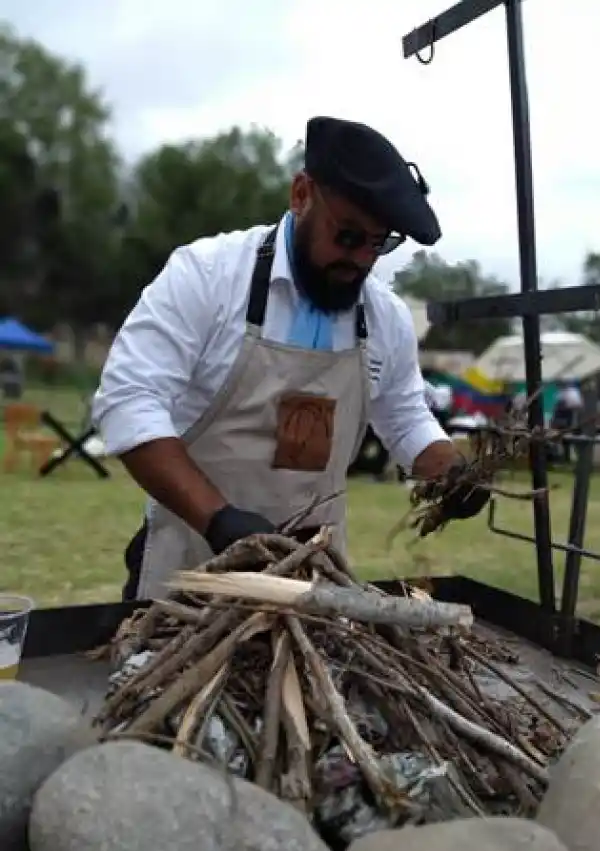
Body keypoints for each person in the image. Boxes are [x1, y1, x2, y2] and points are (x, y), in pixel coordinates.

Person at [92, 115, 490, 602]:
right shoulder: (207, 275)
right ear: (301, 194)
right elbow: (128, 402)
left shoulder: (384, 317)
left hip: (316, 575)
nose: (362, 260)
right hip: (194, 558)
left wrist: (451, 472)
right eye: (347, 236)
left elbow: (404, 416)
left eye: (378, 243)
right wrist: (219, 520)